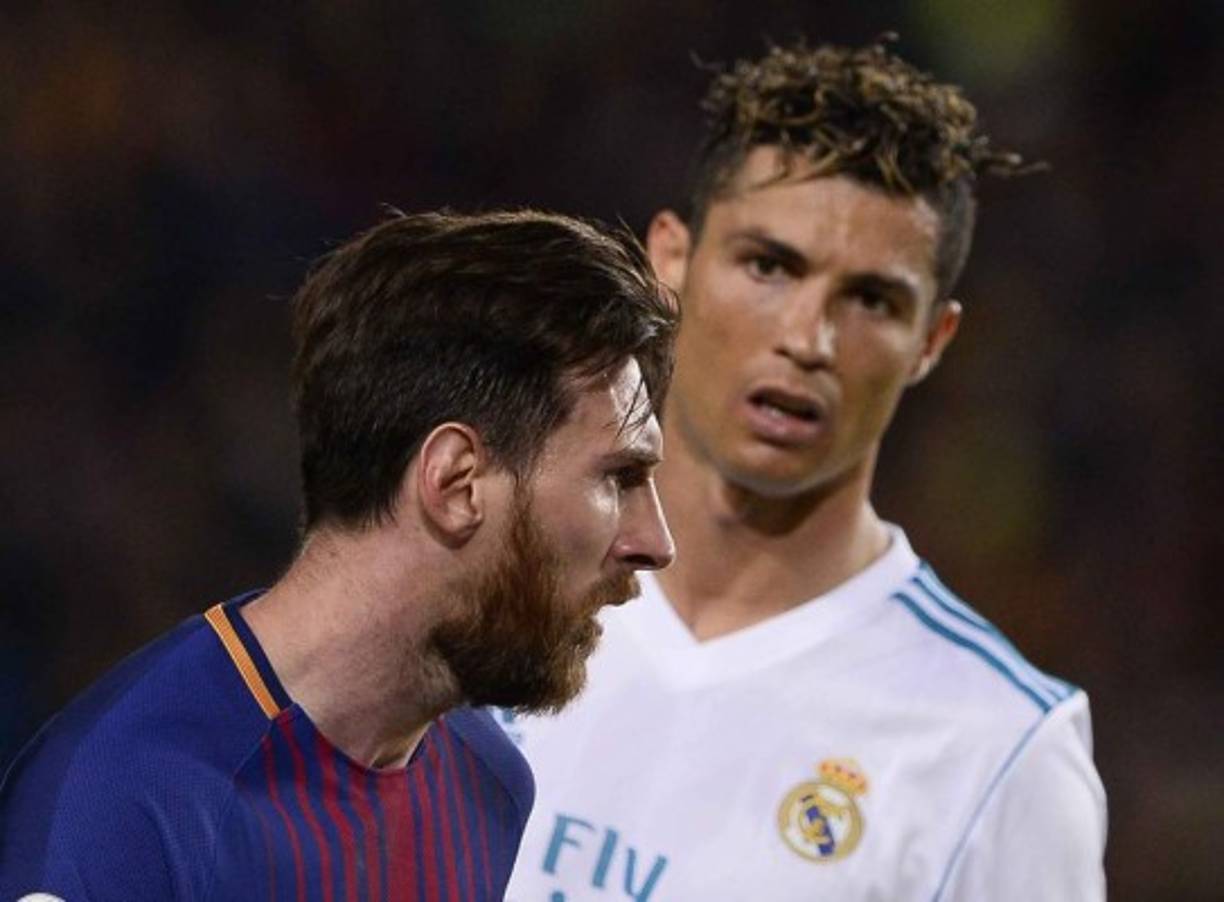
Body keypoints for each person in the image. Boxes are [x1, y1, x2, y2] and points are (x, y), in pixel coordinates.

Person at [503, 39, 1107, 901]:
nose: (807, 339)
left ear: (933, 342)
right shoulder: (492, 589)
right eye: (769, 265)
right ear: (670, 261)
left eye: (871, 300)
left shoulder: (998, 749)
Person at [0, 209, 678, 901]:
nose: (655, 543)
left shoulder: (488, 784)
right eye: (618, 478)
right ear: (455, 482)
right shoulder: (120, 813)